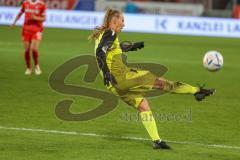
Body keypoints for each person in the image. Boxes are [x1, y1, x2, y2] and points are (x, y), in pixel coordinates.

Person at [88, 8, 215, 149]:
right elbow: (101, 52)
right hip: (123, 77)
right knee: (163, 84)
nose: (124, 24)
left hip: (113, 85)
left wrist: (130, 47)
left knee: (143, 105)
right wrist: (106, 73)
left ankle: (157, 141)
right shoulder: (110, 33)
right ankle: (197, 91)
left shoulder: (103, 34)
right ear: (114, 21)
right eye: (122, 20)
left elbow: (110, 48)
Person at [12, 0, 46, 75]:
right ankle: (29, 68)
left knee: (34, 49)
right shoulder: (25, 3)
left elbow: (44, 18)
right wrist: (14, 22)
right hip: (26, 30)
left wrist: (35, 18)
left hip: (37, 30)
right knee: (27, 50)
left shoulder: (41, 4)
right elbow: (20, 13)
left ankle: (37, 66)